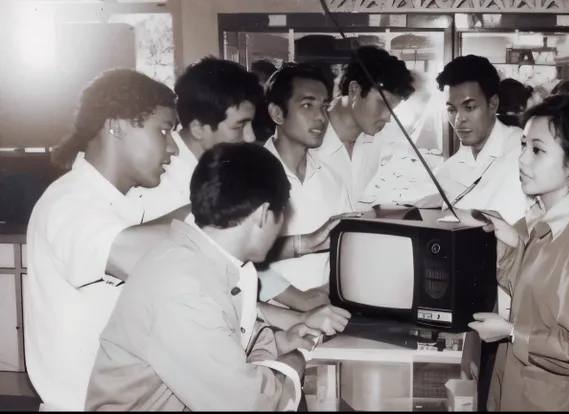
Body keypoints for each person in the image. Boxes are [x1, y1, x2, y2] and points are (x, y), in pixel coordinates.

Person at [86, 142, 316, 411]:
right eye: (282, 216)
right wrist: (294, 363)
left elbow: (230, 346)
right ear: (263, 214)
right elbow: (248, 405)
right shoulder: (186, 288)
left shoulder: (212, 262)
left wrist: (280, 343)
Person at [129, 57, 347, 328]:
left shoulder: (219, 171)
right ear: (198, 128)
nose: (249, 137)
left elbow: (238, 252)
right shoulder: (160, 184)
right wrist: (298, 305)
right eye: (239, 126)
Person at [24, 69, 185, 411]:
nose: (173, 148)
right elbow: (131, 256)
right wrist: (219, 205)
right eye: (163, 130)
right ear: (118, 125)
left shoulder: (128, 204)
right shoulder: (69, 202)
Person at [468, 95, 569, 411]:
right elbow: (537, 297)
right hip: (520, 388)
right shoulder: (542, 223)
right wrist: (511, 245)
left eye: (537, 150)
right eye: (523, 146)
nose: (522, 159)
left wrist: (510, 332)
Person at [263, 62, 358, 292]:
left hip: (328, 314)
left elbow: (347, 255)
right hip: (268, 320)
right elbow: (236, 255)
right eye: (307, 105)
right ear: (277, 113)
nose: (321, 117)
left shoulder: (333, 180)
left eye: (324, 107)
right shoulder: (248, 176)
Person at [416, 55, 530, 225]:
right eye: (451, 110)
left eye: (469, 108)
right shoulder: (450, 167)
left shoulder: (522, 152)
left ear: (493, 103)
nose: (458, 120)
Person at [316, 45, 415, 210]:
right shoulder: (307, 140)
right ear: (355, 90)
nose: (387, 117)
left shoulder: (382, 141)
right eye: (382, 103)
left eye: (393, 109)